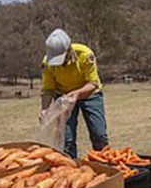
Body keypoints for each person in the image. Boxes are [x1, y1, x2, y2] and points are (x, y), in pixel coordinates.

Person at [40, 28, 109, 158]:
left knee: (99, 134)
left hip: (89, 94)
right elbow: (48, 89)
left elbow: (93, 84)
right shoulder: (47, 63)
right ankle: (71, 165)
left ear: (69, 50)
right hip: (63, 97)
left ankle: (104, 162)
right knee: (66, 139)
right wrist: (45, 109)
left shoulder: (85, 55)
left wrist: (76, 94)